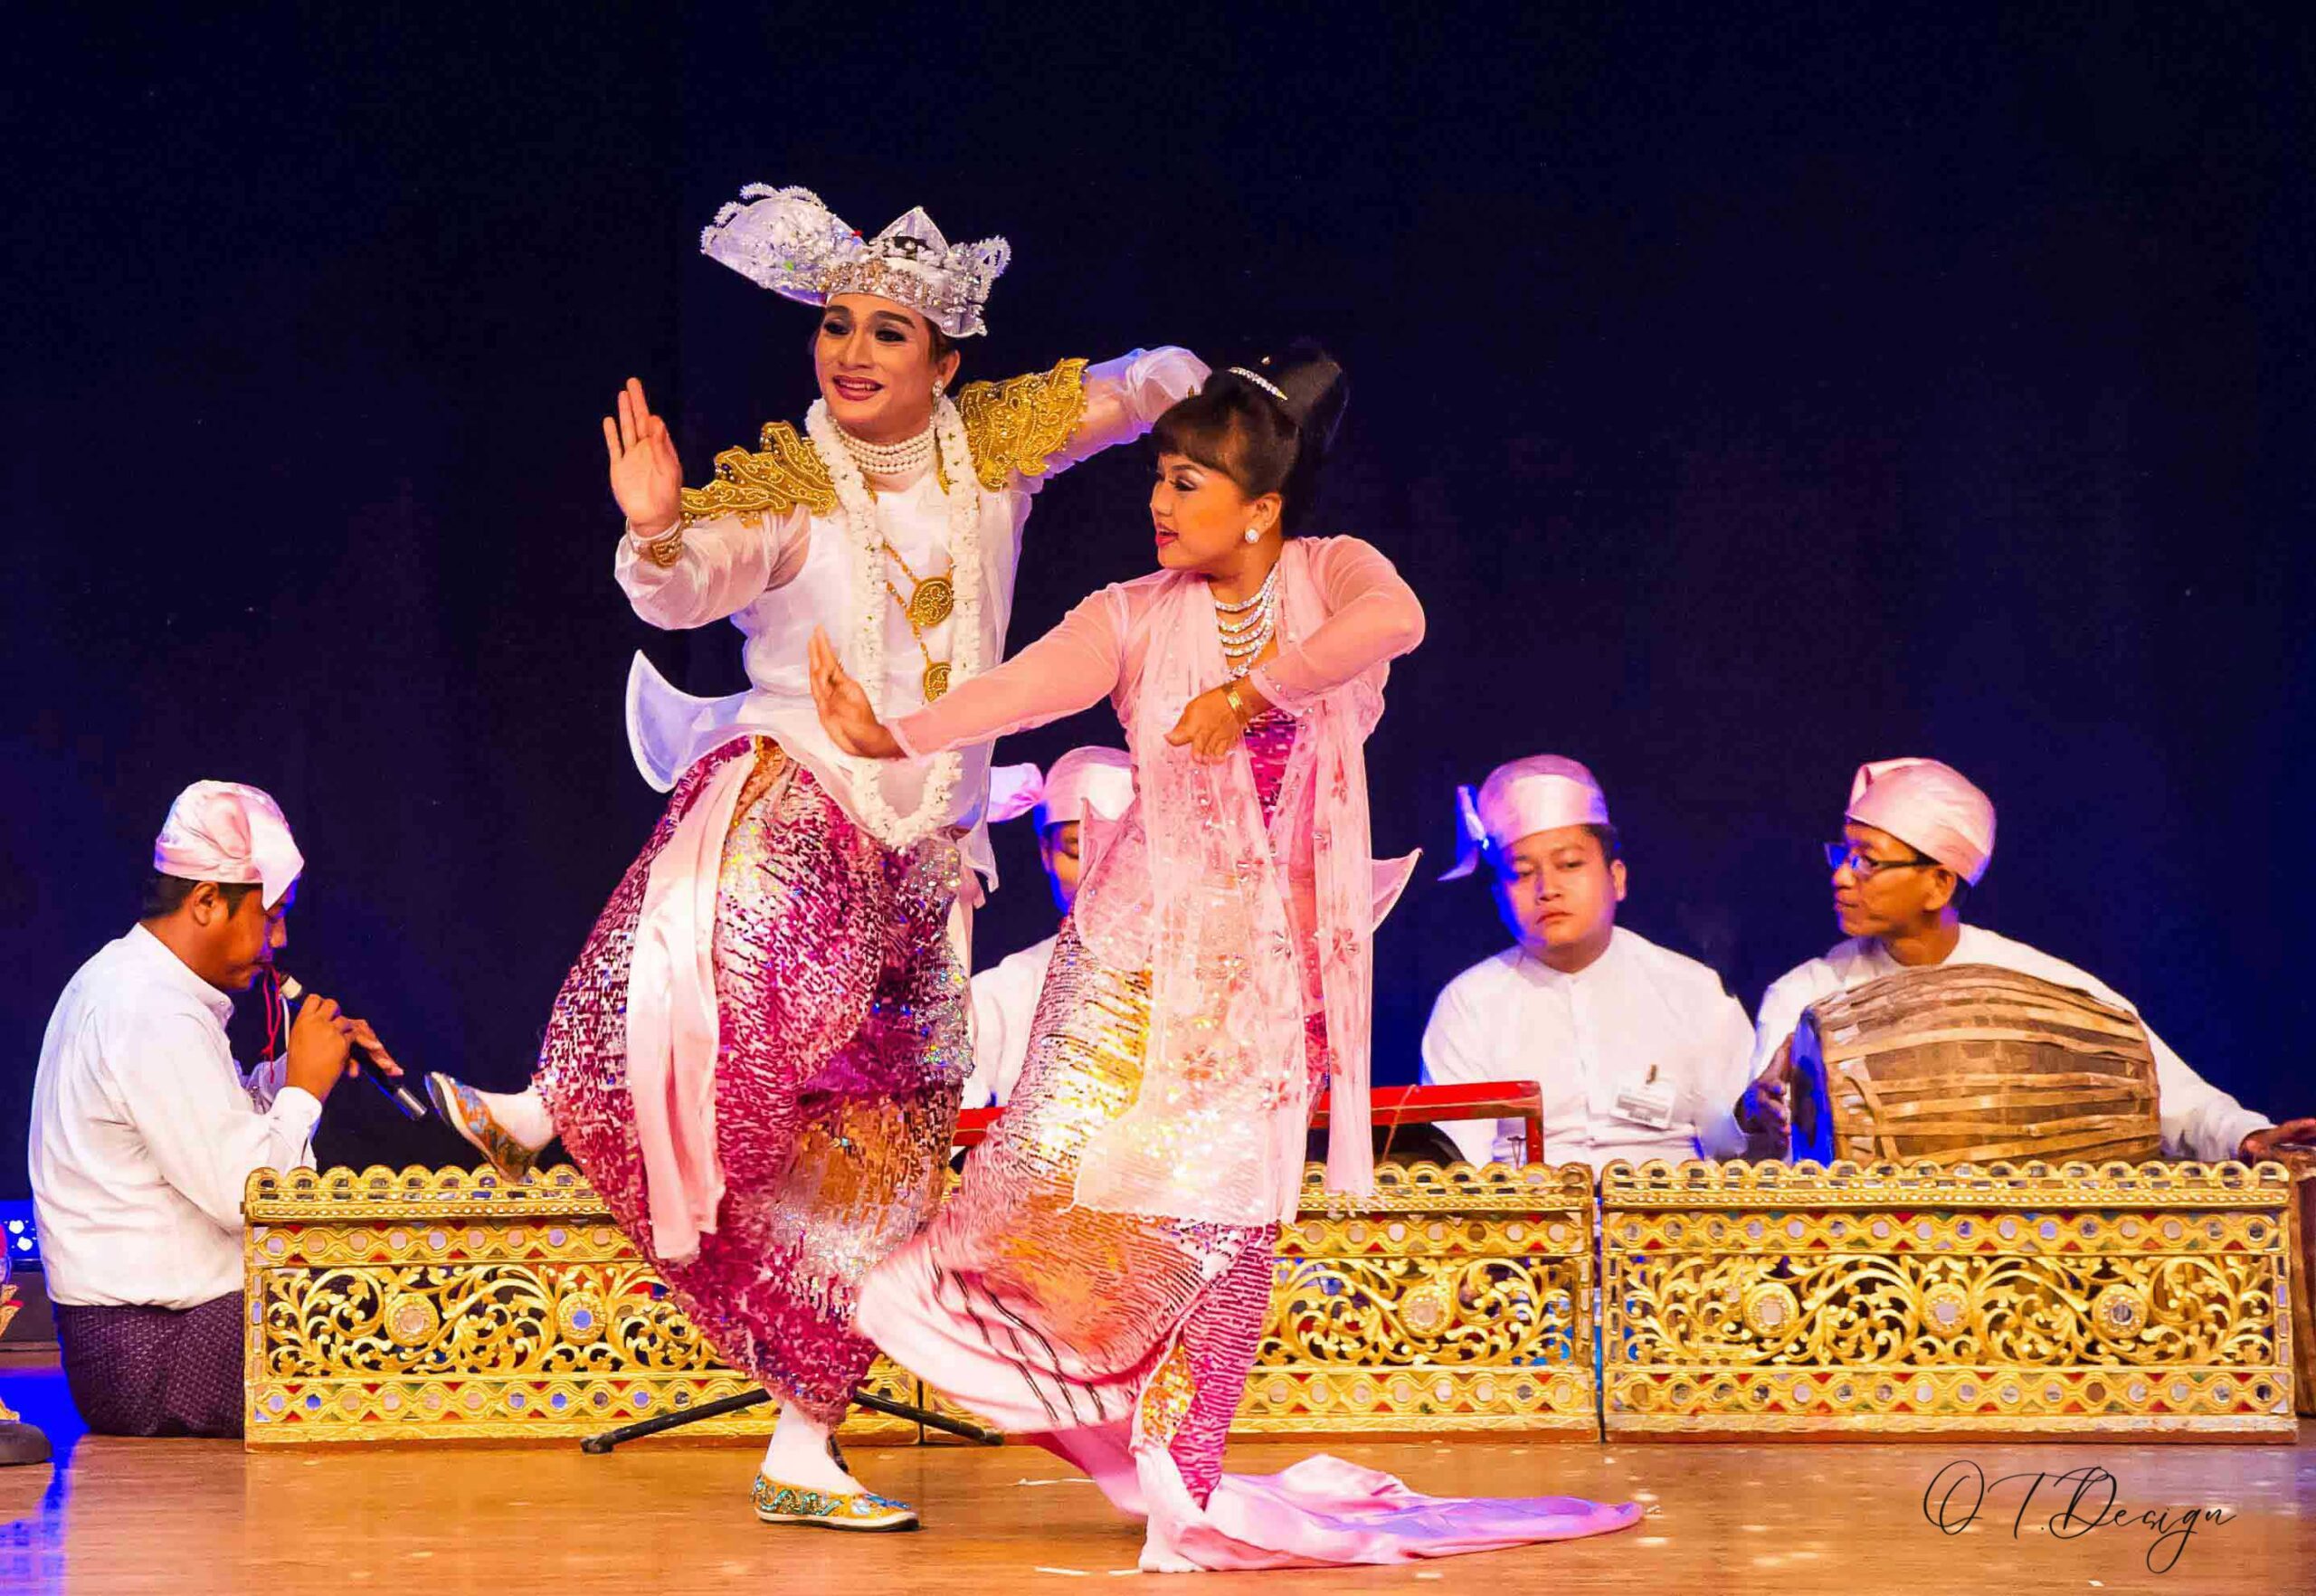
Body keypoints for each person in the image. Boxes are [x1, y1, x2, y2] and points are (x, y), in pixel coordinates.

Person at [422, 185, 1204, 1529]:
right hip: (806, 781)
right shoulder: (790, 481)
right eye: (835, 324)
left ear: (944, 363)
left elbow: (1133, 393)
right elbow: (692, 584)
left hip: (926, 850)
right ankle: (554, 1097)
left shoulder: (998, 445)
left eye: (886, 331)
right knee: (722, 920)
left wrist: (1198, 391)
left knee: (880, 1158)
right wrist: (659, 530)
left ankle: (802, 1444)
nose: (850, 351)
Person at [813, 345, 1639, 1570]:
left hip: (1267, 974)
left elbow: (1394, 622)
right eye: (1159, 474)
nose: (1161, 501)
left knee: (1235, 1224)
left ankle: (1180, 1488)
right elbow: (1020, 691)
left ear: (1260, 507)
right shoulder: (1132, 613)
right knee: (1037, 1204)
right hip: (1130, 971)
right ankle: (1107, 1432)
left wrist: (1253, 696)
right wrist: (894, 732)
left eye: (1191, 482)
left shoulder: (1327, 575)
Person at [28, 782, 397, 1438]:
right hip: (155, 1357)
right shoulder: (147, 1008)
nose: (278, 940)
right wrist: (302, 1091)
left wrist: (295, 1069)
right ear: (205, 902)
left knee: (385, 1288)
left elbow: (213, 1126)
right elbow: (248, 1194)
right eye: (271, 915)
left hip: (173, 1338)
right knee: (387, 1303)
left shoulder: (137, 986)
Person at [1736, 757, 2316, 1162]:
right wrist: (1757, 1109)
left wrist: (2249, 1136)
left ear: (1939, 884)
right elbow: (1759, 1111)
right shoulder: (1807, 992)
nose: (1841, 876)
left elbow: (2171, 1096)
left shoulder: (2041, 986)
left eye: (1867, 861)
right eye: (1842, 853)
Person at [1421, 755, 1756, 1167]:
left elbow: (1741, 1153)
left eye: (1569, 865)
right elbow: (1458, 1170)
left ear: (1617, 878)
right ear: (1497, 899)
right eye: (1523, 873)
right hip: (1523, 1224)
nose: (1547, 889)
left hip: (1675, 1223)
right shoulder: (1469, 1004)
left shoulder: (1695, 991)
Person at [965, 746, 1134, 1109]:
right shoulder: (1000, 992)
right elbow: (953, 1131)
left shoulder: (1191, 986)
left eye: (1119, 849)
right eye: (1076, 849)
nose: (1096, 870)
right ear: (1046, 852)